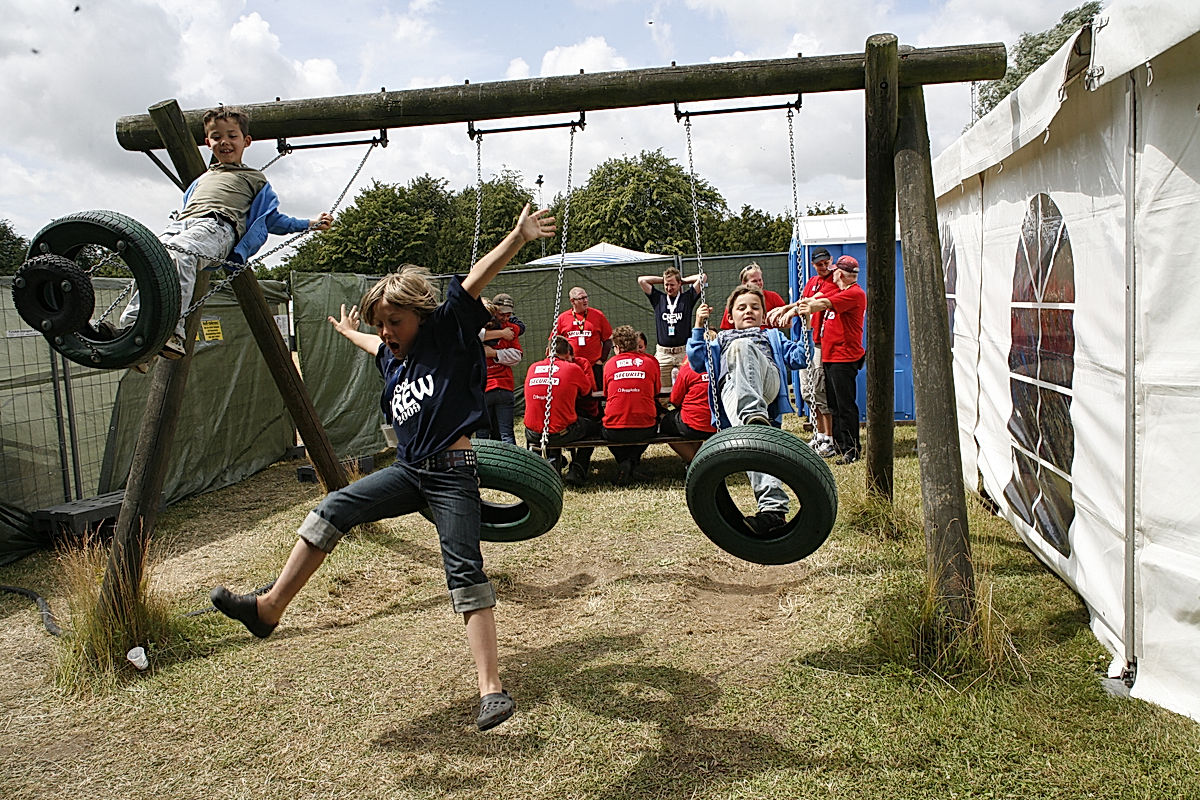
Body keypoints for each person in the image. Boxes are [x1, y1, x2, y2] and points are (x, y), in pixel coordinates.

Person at [209, 203, 556, 733]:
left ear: (420, 313)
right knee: (333, 508)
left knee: (462, 567)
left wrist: (517, 237)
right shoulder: (392, 355)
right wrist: (354, 332)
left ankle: (492, 689)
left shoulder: (445, 334)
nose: (388, 332)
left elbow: (473, 282)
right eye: (383, 325)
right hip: (410, 470)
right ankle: (269, 609)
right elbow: (375, 345)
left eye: (396, 321)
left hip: (451, 471)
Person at [113, 106, 333, 372]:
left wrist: (309, 224)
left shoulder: (255, 179)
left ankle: (172, 331)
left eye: (232, 136)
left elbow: (272, 219)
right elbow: (187, 205)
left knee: (182, 254)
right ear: (208, 143)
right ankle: (133, 333)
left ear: (246, 141)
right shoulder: (201, 179)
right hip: (183, 223)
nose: (224, 142)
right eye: (217, 137)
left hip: (218, 226)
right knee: (151, 258)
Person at [688, 286, 807, 535]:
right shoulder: (719, 338)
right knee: (752, 439)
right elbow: (698, 362)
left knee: (742, 347)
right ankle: (773, 512)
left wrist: (804, 323)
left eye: (755, 307)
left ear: (763, 315)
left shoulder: (773, 336)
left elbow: (800, 358)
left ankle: (753, 413)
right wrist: (699, 325)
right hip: (733, 391)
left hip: (766, 384)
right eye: (741, 308)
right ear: (730, 317)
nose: (749, 311)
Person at [773, 254, 866, 465]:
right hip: (831, 355)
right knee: (833, 403)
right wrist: (788, 308)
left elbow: (820, 303)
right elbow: (811, 300)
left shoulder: (853, 293)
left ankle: (851, 448)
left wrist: (793, 311)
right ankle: (841, 446)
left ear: (840, 273)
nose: (830, 272)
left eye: (834, 269)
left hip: (844, 357)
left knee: (845, 405)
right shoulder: (840, 290)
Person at [523, 336, 600, 483]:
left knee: (555, 420)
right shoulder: (573, 368)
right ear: (568, 355)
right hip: (561, 432)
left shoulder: (533, 367)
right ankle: (578, 469)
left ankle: (554, 462)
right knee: (595, 428)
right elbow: (587, 391)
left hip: (532, 433)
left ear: (547, 351)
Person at [602, 325, 662, 485]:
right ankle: (632, 461)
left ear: (617, 347)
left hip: (614, 430)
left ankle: (624, 462)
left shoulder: (609, 364)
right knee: (650, 426)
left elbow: (606, 394)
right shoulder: (651, 362)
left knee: (603, 430)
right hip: (645, 428)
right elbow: (656, 392)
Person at [798, 247, 839, 456]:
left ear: (830, 261)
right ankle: (819, 433)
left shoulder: (833, 281)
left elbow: (811, 303)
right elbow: (802, 303)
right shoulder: (812, 282)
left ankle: (829, 438)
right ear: (813, 265)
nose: (823, 267)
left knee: (820, 389)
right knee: (808, 391)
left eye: (825, 263)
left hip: (820, 344)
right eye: (819, 264)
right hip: (807, 340)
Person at [638, 266, 706, 388]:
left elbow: (702, 277)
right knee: (661, 390)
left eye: (672, 285)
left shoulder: (687, 298)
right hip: (663, 354)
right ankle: (664, 407)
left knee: (688, 386)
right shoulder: (658, 298)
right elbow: (641, 280)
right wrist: (663, 279)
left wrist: (683, 280)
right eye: (666, 285)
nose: (669, 288)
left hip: (683, 351)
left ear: (679, 284)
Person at [476, 293, 521, 444]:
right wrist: (501, 333)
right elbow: (475, 333)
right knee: (489, 433)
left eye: (509, 315)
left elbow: (517, 356)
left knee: (497, 434)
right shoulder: (476, 328)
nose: (505, 318)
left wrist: (494, 353)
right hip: (485, 388)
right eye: (502, 314)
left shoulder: (511, 328)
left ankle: (512, 466)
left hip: (502, 386)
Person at [659, 359, 716, 465]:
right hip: (718, 424)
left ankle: (697, 463)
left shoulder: (688, 368)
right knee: (692, 422)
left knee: (665, 426)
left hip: (693, 423)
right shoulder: (720, 365)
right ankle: (698, 461)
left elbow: (674, 400)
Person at [554, 287, 613, 388]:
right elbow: (554, 342)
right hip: (571, 365)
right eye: (581, 298)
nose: (585, 300)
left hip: (594, 365)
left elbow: (608, 340)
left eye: (586, 297)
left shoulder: (598, 315)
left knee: (595, 396)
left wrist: (601, 360)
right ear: (572, 301)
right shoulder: (562, 318)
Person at [718, 262, 786, 329]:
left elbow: (788, 323)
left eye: (760, 280)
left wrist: (774, 319)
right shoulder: (736, 300)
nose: (759, 283)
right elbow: (726, 328)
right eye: (754, 281)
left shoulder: (773, 297)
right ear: (744, 283)